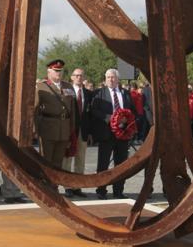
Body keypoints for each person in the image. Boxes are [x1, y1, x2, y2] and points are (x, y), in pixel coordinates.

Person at [91, 68, 133, 199]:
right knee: (103, 164)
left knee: (121, 164)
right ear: (105, 79)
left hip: (123, 134)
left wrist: (127, 120)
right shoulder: (99, 93)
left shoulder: (125, 93)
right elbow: (94, 110)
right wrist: (110, 118)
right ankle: (101, 190)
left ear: (118, 79)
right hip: (106, 133)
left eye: (113, 77)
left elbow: (132, 111)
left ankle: (118, 191)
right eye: (108, 77)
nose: (110, 79)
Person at [33, 59, 75, 170]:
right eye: (56, 70)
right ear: (49, 71)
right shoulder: (41, 86)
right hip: (48, 129)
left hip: (64, 129)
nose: (59, 73)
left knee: (58, 162)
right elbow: (35, 109)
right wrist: (34, 129)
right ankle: (45, 185)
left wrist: (72, 128)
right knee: (46, 161)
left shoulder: (68, 87)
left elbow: (73, 110)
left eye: (60, 70)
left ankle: (54, 186)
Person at [62, 67, 92, 197]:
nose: (79, 77)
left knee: (81, 158)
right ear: (72, 77)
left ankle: (77, 186)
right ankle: (67, 186)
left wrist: (90, 132)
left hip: (83, 131)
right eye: (76, 75)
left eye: (81, 75)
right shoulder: (66, 91)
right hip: (70, 130)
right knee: (67, 157)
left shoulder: (89, 93)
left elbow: (90, 115)